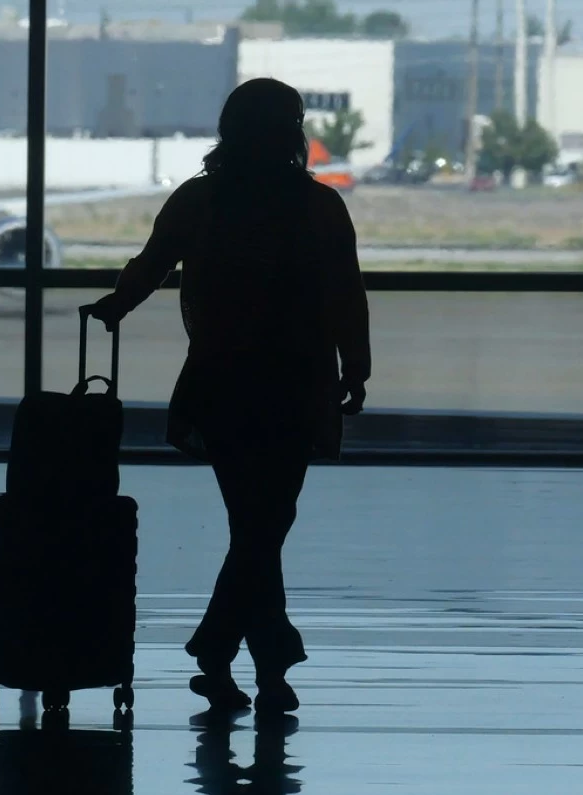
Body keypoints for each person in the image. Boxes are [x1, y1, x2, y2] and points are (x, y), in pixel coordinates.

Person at [88, 78, 371, 714]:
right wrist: (355, 366)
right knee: (267, 524)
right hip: (295, 385)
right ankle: (243, 656)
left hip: (222, 381)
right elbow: (345, 293)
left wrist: (116, 306)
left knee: (254, 522)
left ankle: (243, 659)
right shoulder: (320, 208)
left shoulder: (200, 201)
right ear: (290, 133)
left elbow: (152, 261)